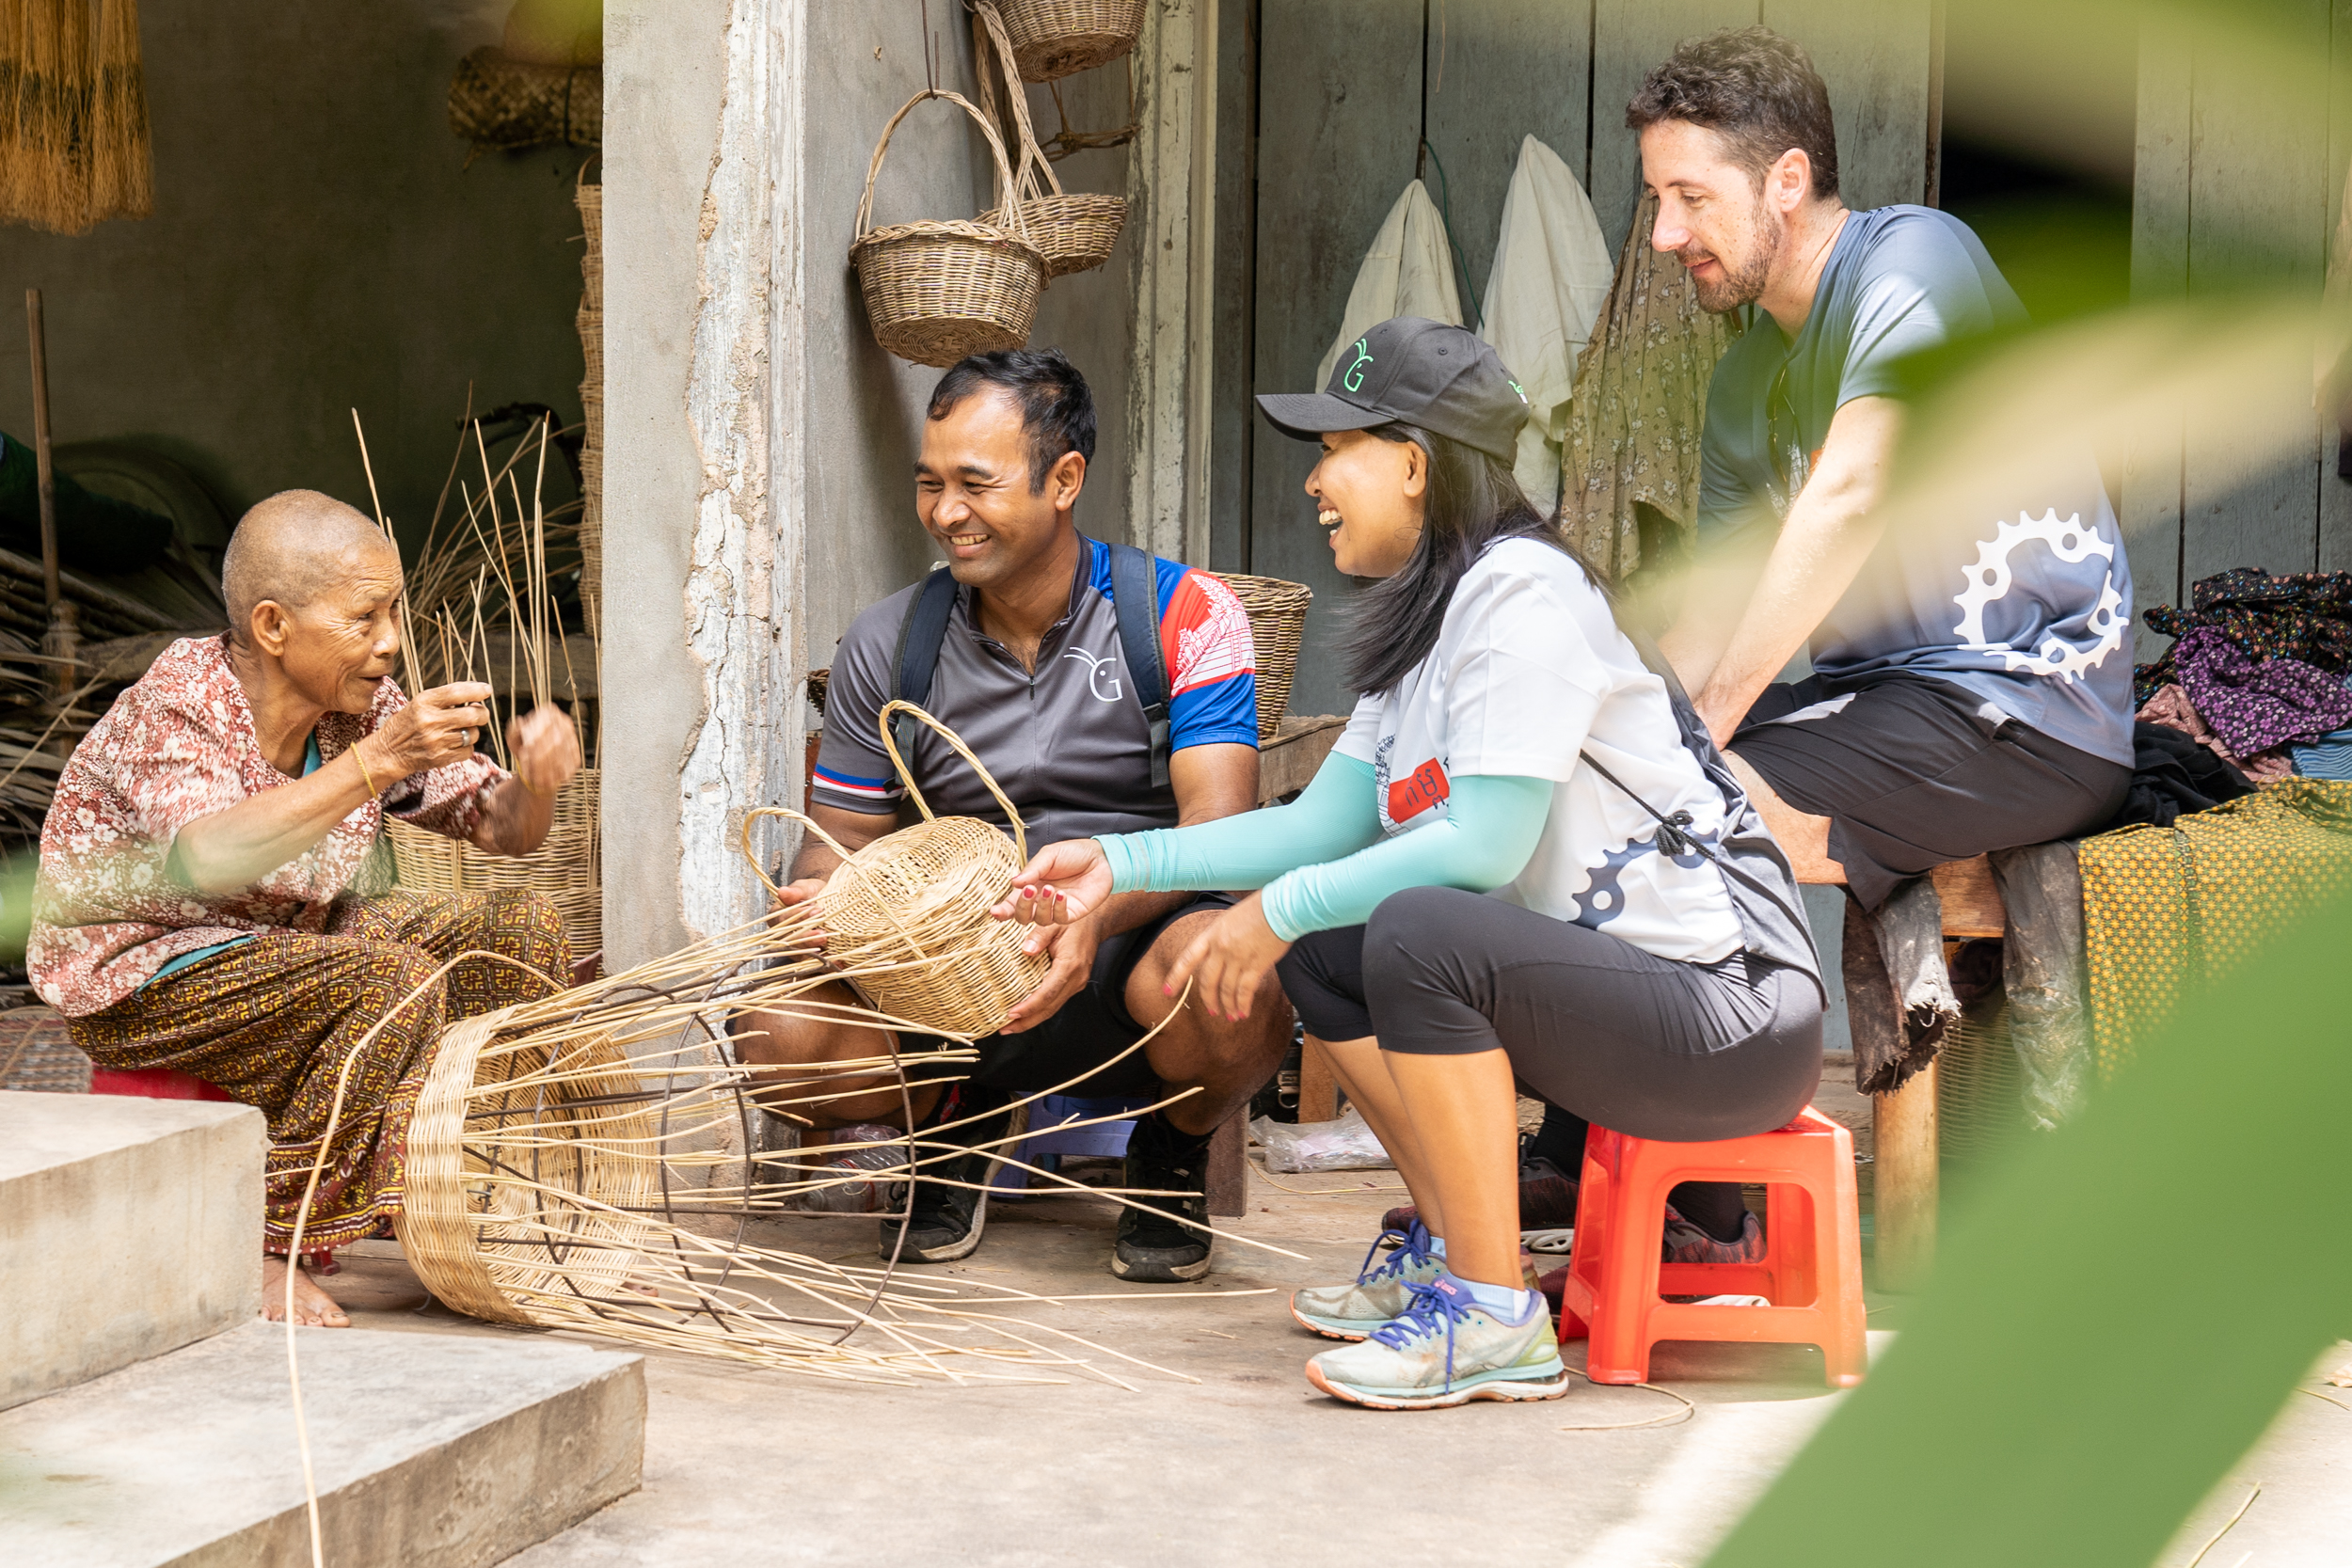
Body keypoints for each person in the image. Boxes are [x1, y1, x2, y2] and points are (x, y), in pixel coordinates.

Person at [996, 318, 1826, 1409]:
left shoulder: (1521, 592)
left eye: (1333, 448)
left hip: (1735, 1016)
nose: (1314, 483)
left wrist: (1270, 910)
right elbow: (1317, 829)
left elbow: (1484, 845)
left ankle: (1494, 1317)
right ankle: (1458, 1249)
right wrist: (1117, 860)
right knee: (1332, 951)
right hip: (1623, 1004)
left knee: (1418, 928)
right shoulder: (1430, 616)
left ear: (1413, 462)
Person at [736, 348, 1287, 1284]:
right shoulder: (891, 640)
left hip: (1131, 945)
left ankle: (1172, 1141)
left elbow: (1219, 831)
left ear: (1064, 478)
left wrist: (1090, 913)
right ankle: (958, 1117)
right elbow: (842, 846)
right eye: (930, 483)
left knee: (1231, 985)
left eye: (975, 484)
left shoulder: (1183, 614)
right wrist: (825, 905)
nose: (947, 512)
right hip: (947, 969)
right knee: (776, 1035)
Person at [30, 490, 584, 1328]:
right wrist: (378, 759)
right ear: (272, 626)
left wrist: (536, 783)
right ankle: (261, 1242)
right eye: (364, 615)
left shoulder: (361, 703)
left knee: (520, 934)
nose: (390, 639)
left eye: (392, 609)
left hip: (291, 942)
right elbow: (209, 856)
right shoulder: (181, 701)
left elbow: (497, 827)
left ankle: (453, 1207)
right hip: (146, 970)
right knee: (388, 982)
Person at [1634, 28, 2134, 905]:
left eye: (1690, 197)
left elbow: (1854, 491)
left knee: (1671, 804)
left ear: (1786, 181)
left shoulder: (1913, 259)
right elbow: (1711, 619)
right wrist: (1613, 723)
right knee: (1618, 775)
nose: (1665, 234)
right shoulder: (1741, 381)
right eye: (1656, 199)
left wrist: (1699, 732)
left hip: (2026, 711)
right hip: (1876, 701)